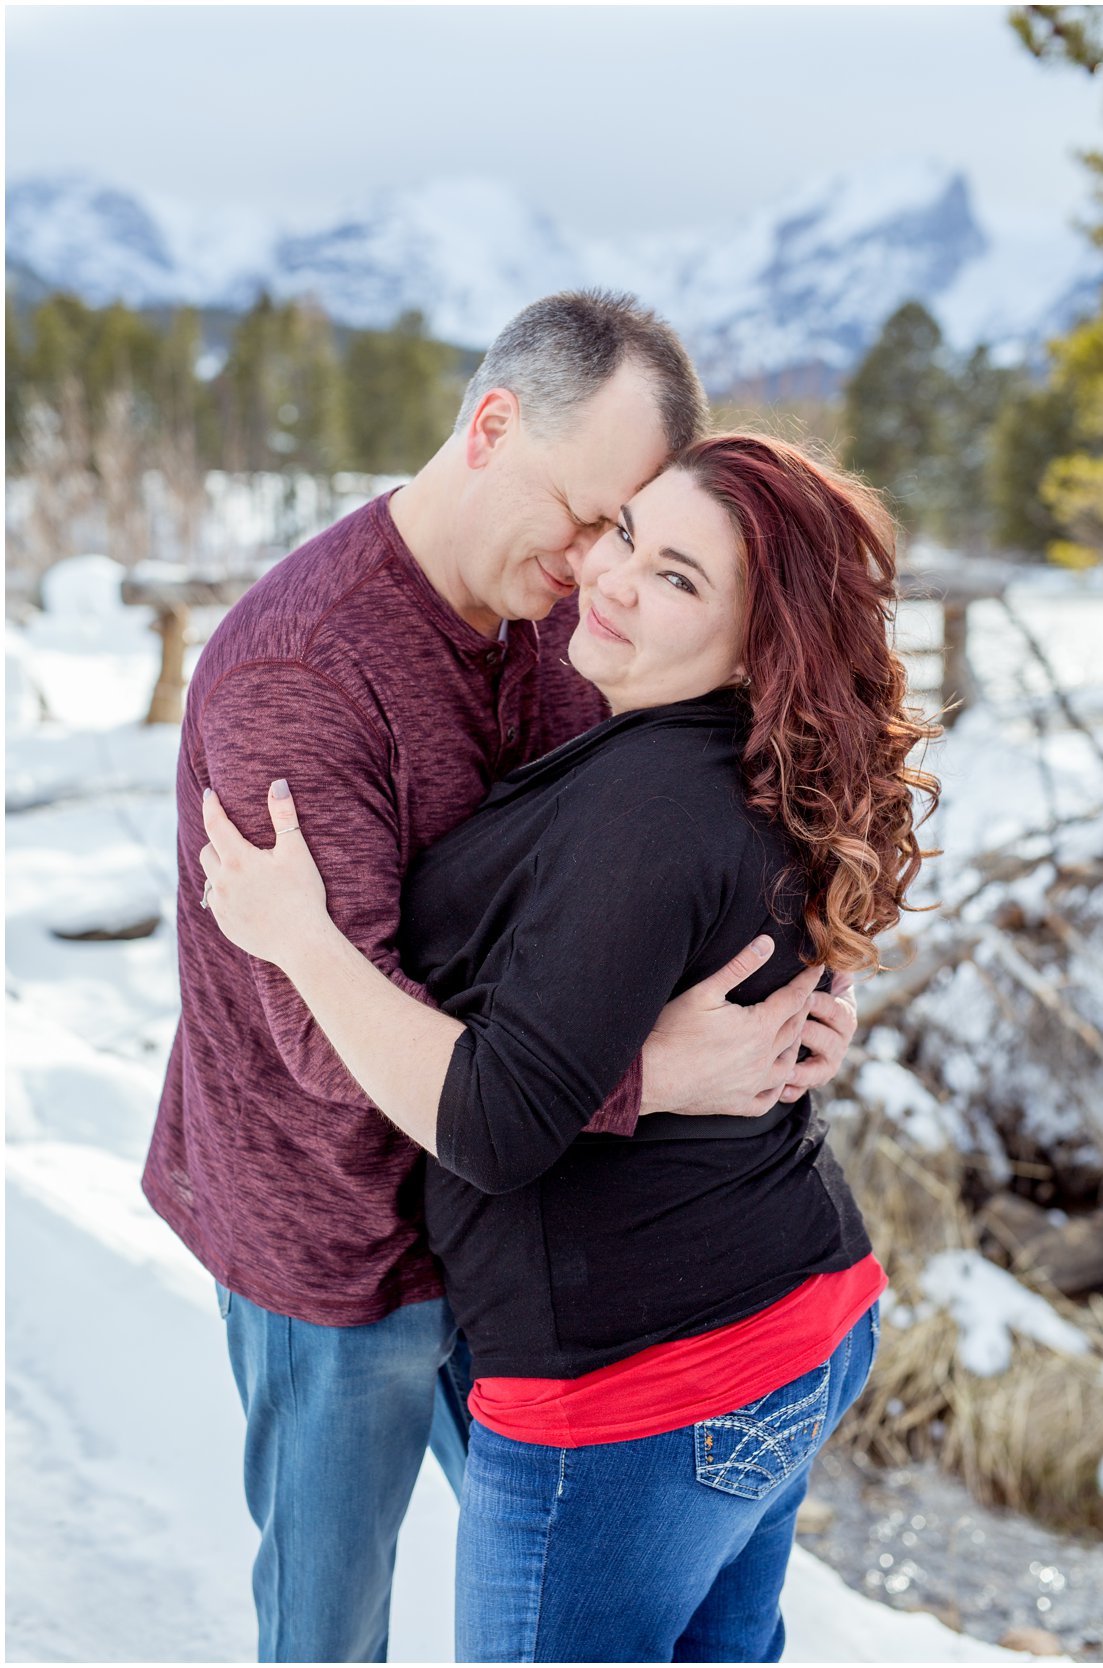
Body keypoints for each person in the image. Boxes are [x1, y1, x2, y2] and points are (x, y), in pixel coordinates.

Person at [141, 293, 857, 1663]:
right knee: (329, 1627)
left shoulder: (573, 616)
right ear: (489, 425)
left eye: (633, 531)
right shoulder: (301, 672)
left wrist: (788, 1011)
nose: (602, 564)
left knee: (560, 1613)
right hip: (334, 1249)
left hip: (518, 1229)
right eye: (590, 516)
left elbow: (649, 880)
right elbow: (322, 1037)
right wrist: (653, 1075)